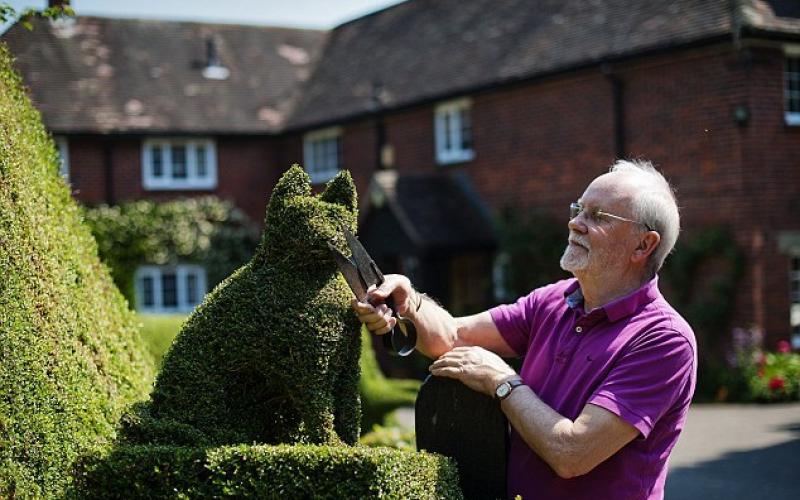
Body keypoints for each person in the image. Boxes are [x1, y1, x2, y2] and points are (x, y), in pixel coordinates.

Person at [351, 159, 696, 500]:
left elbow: (573, 453)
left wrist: (502, 382)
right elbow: (452, 338)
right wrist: (409, 300)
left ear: (643, 245)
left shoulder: (664, 340)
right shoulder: (552, 301)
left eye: (598, 216)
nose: (575, 223)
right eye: (579, 209)